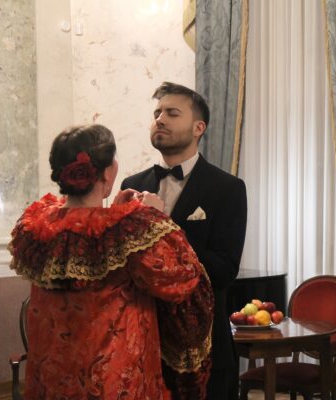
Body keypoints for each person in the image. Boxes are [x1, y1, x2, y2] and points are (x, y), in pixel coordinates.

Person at [8, 124, 214, 400]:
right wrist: (155, 218)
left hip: (51, 374)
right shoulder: (133, 231)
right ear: (107, 172)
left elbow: (90, 230)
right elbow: (183, 278)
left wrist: (121, 214)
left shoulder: (37, 226)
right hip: (111, 378)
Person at [122, 82, 248, 399]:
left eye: (172, 113)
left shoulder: (228, 188)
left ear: (198, 128)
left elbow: (224, 270)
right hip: (143, 343)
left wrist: (164, 226)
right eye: (157, 113)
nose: (160, 119)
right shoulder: (131, 185)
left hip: (205, 346)